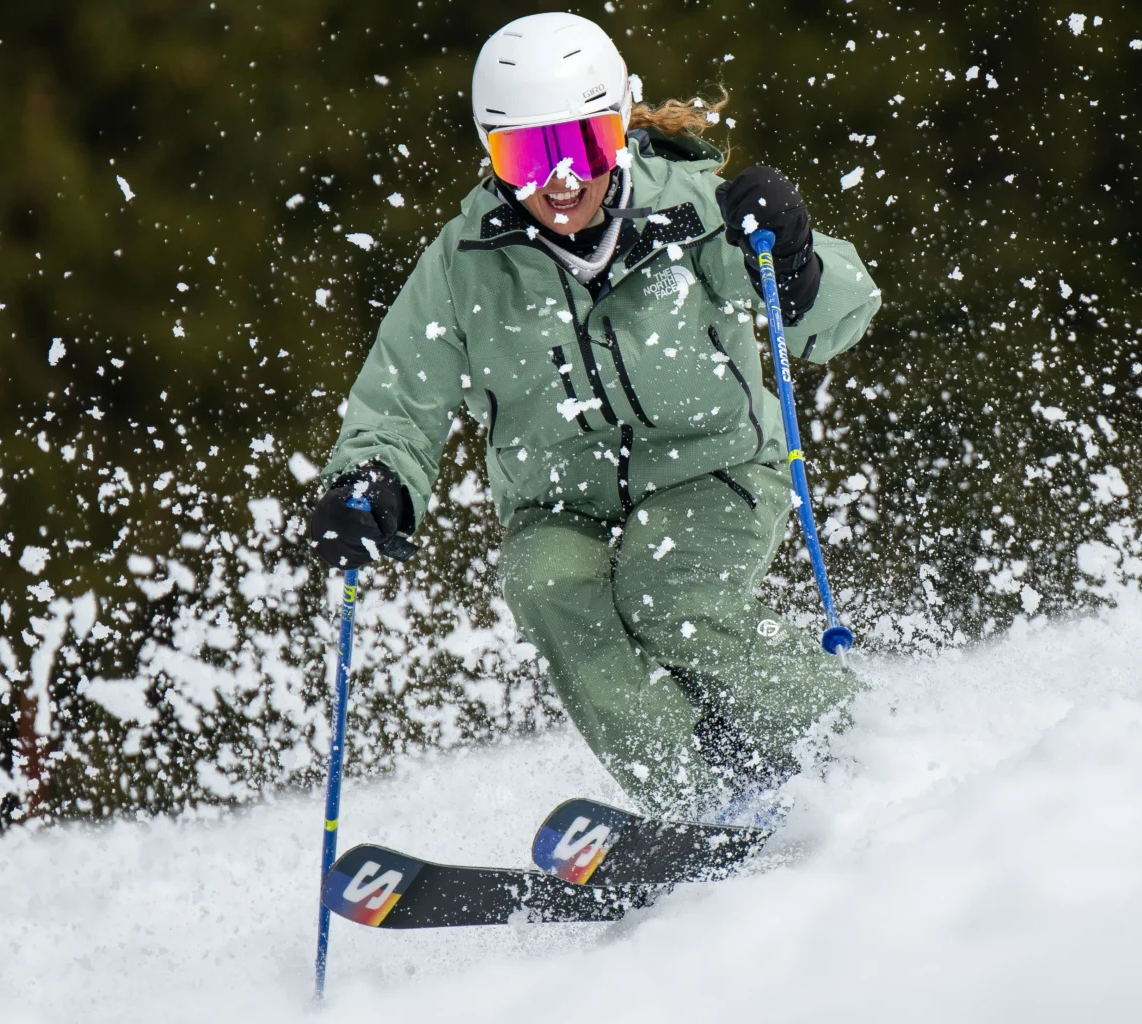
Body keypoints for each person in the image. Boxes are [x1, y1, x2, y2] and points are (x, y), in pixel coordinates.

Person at [307, 12, 881, 824]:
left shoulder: (691, 211)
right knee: (547, 585)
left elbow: (833, 321)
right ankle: (702, 802)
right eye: (527, 155)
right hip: (557, 501)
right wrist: (372, 481)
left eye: (579, 145)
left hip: (711, 467)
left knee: (667, 591)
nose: (561, 179)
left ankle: (849, 743)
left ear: (616, 129)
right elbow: (400, 395)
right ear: (493, 156)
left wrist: (797, 262)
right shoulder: (464, 261)